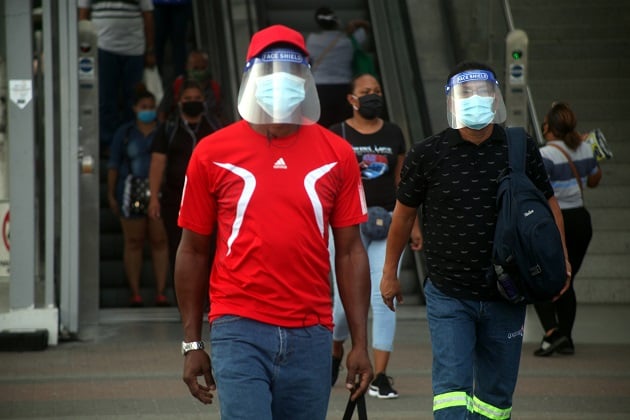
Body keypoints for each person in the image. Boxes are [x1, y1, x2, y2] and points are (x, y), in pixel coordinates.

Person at [174, 24, 373, 419]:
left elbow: (351, 251)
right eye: (270, 71)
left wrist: (359, 343)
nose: (280, 81)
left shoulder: (338, 154)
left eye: (292, 71)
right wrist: (192, 344)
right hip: (239, 327)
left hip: (312, 332)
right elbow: (193, 250)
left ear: (306, 79)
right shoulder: (212, 153)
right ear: (252, 78)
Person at [379, 61, 571, 419]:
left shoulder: (519, 147)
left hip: (508, 292)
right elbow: (403, 215)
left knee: (495, 400)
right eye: (467, 94)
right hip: (449, 293)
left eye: (483, 93)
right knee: (451, 392)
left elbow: (549, 205)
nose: (476, 100)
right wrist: (390, 271)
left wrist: (561, 260)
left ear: (495, 97)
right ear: (452, 101)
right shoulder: (428, 153)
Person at [328, 73, 406, 399]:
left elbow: (403, 182)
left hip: (388, 222)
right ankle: (335, 352)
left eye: (377, 90)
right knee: (343, 304)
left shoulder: (393, 133)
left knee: (383, 297)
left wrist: (411, 225)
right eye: (365, 92)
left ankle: (381, 375)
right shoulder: (337, 134)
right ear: (351, 99)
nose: (373, 96)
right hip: (348, 226)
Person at [533, 101, 602, 357]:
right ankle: (566, 337)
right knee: (567, 278)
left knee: (539, 276)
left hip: (556, 221)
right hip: (581, 220)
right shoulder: (584, 147)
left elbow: (538, 189)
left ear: (548, 127)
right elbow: (595, 180)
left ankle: (552, 333)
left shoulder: (545, 154)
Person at [148, 79, 218, 285]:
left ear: (204, 100)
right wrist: (153, 197)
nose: (193, 102)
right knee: (180, 247)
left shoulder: (214, 126)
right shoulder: (169, 128)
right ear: (179, 101)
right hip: (175, 199)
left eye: (197, 99)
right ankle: (184, 297)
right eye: (188, 99)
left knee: (212, 247)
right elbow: (157, 163)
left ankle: (209, 296)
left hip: (211, 199)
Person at [107, 84, 170, 307]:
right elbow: (113, 165)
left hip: (159, 190)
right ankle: (135, 293)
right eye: (144, 106)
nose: (148, 110)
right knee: (133, 241)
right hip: (129, 189)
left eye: (152, 107)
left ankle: (161, 292)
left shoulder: (164, 131)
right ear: (134, 108)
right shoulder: (124, 133)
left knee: (160, 240)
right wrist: (111, 194)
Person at [78, 0, 156, 155]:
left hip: (134, 49)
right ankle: (109, 144)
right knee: (106, 99)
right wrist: (83, 49)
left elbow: (148, 16)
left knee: (132, 99)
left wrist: (150, 50)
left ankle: (131, 140)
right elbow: (83, 16)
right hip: (103, 47)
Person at [306, 6, 371, 128]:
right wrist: (354, 25)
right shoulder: (349, 40)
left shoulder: (312, 40)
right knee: (343, 125)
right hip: (344, 87)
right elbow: (366, 28)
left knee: (322, 125)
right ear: (336, 21)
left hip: (320, 88)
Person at [157, 49, 225, 127]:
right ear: (187, 66)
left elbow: (222, 115)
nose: (199, 71)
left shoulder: (215, 88)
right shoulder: (177, 85)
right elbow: (162, 112)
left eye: (202, 68)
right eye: (195, 68)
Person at [152, 0, 192, 83]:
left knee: (179, 43)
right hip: (157, 4)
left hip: (180, 4)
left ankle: (180, 81)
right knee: (157, 43)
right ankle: (156, 82)